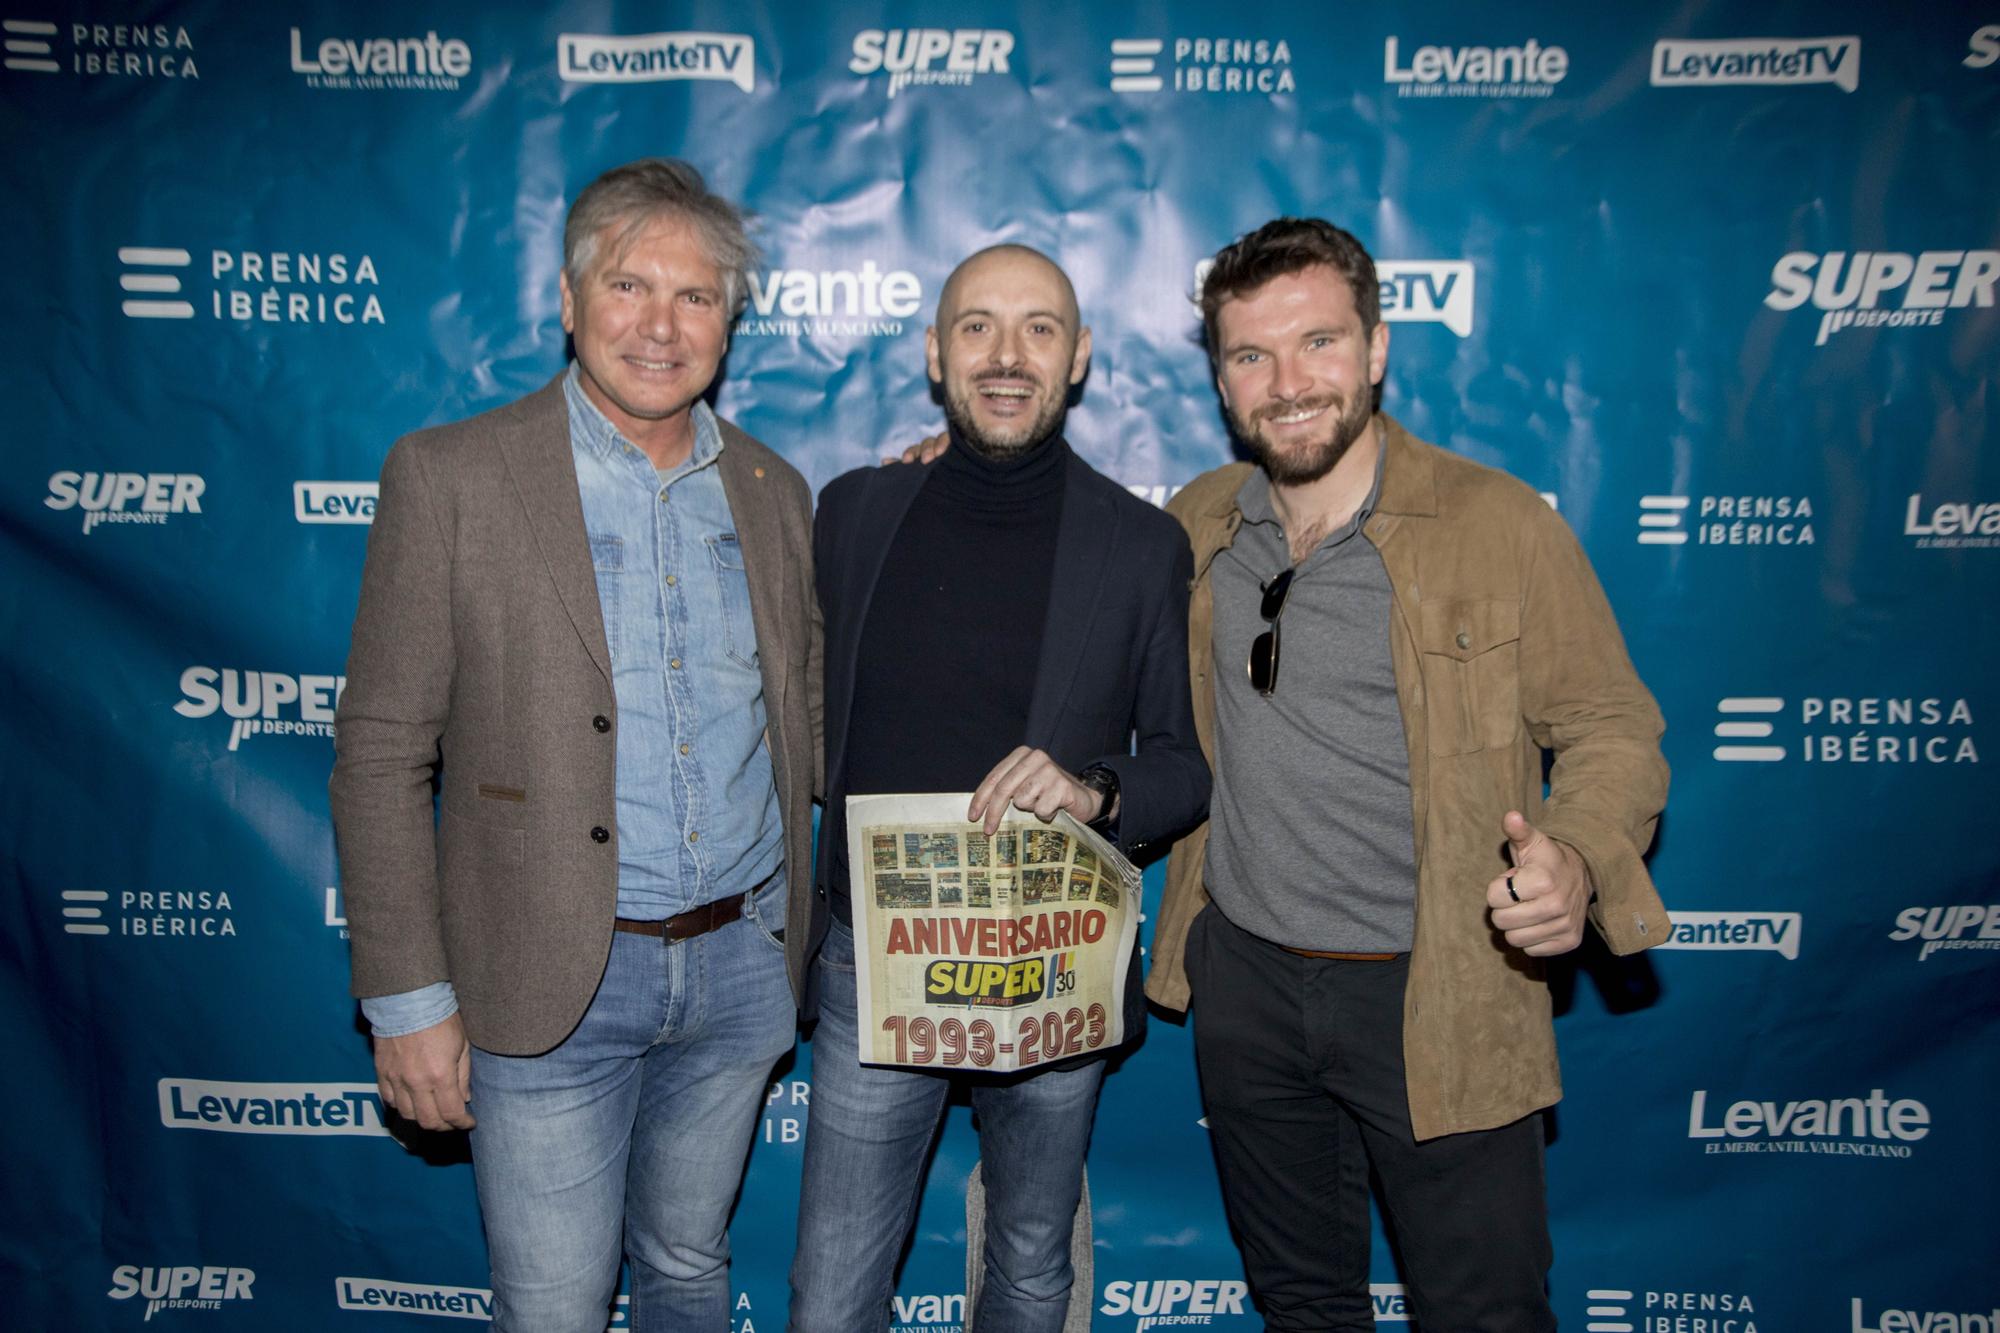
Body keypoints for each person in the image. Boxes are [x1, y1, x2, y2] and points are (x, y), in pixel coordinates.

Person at [1145, 217, 1670, 1331]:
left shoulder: (1496, 525)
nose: (1287, 384)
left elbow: (1611, 723)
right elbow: (1063, 553)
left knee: (1482, 1310)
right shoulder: (1195, 524)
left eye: (1318, 344)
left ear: (1376, 348)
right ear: (1218, 376)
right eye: (1250, 355)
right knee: (1299, 1304)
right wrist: (960, 460)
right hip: (1246, 980)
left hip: (1441, 990)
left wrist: (1574, 853)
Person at [329, 158, 818, 1333]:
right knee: (552, 1307)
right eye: (627, 286)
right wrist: (407, 1002)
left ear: (730, 321)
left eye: (695, 297)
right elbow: (381, 750)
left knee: (690, 1273)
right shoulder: (449, 476)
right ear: (565, 299)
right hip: (544, 976)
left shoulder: (773, 489)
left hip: (742, 968)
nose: (660, 325)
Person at [790, 244, 1210, 1332]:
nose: (1006, 354)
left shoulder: (1140, 543)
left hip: (1050, 959)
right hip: (870, 962)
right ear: (935, 355)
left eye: (1038, 328)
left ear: (1075, 361)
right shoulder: (852, 513)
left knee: (1028, 1265)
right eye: (977, 326)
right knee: (832, 1291)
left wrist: (1093, 789)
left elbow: (1182, 764)